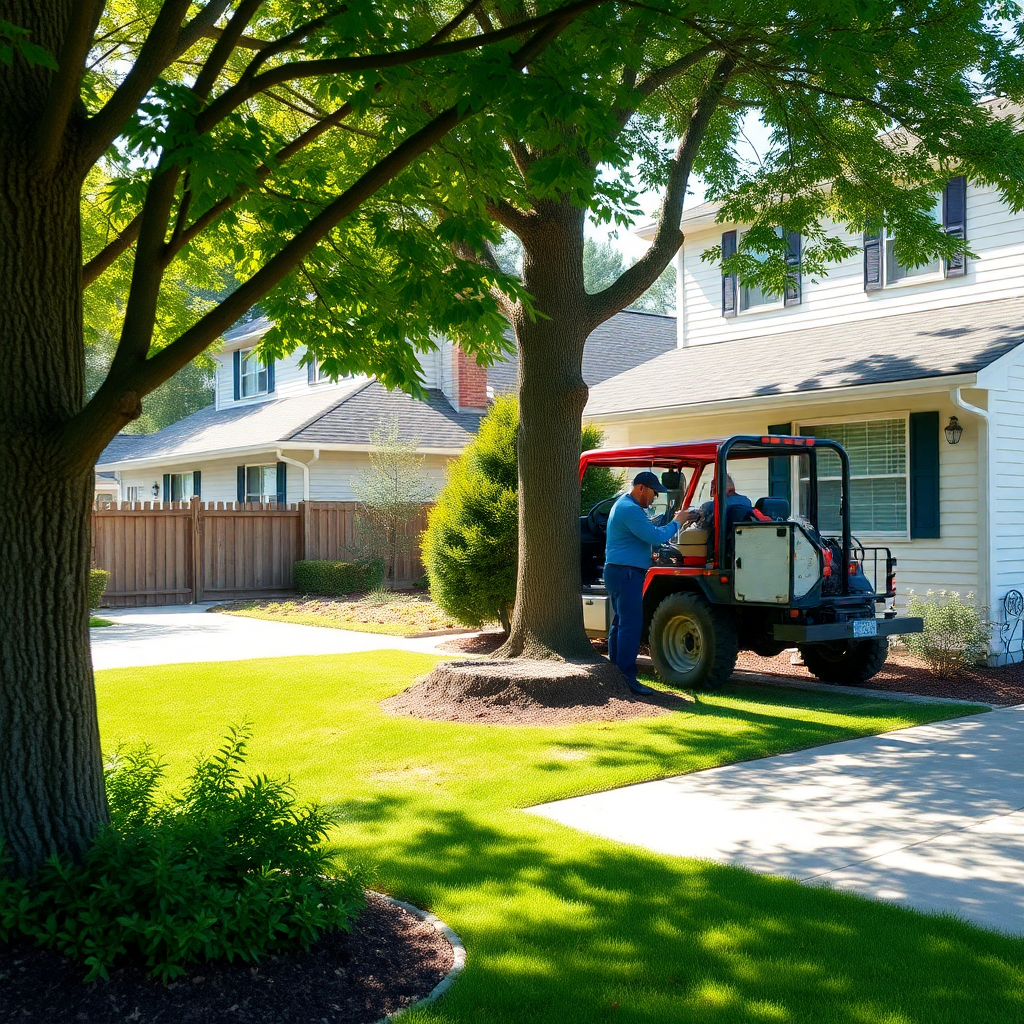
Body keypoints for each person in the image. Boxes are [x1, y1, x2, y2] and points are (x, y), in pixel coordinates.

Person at [604, 471, 688, 694]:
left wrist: (645, 556)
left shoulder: (623, 504)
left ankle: (616, 674)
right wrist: (677, 522)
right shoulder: (630, 509)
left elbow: (634, 540)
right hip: (626, 574)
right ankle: (627, 677)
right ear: (641, 488)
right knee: (630, 626)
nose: (655, 497)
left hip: (619, 571)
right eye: (653, 492)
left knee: (621, 623)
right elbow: (656, 536)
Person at [683, 474, 753, 530]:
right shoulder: (746, 501)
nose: (712, 487)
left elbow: (702, 526)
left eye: (713, 484)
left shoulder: (711, 506)